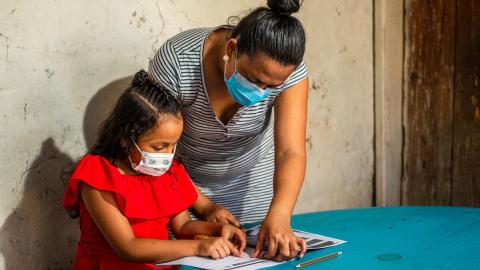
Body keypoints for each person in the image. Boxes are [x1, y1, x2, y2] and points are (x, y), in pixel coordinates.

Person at [149, 0, 308, 261]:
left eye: (272, 87)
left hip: (253, 198)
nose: (261, 92)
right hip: (182, 197)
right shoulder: (178, 61)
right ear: (232, 48)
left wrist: (279, 214)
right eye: (255, 79)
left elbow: (290, 152)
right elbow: (156, 148)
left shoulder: (289, 72)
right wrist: (202, 205)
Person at [62, 70, 246, 270]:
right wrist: (200, 246)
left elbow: (183, 227)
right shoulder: (98, 175)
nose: (167, 155)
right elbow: (127, 247)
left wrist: (219, 230)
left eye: (173, 145)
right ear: (126, 139)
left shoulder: (167, 173)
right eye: (159, 147)